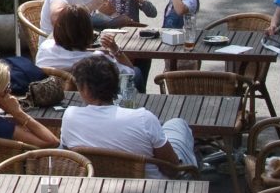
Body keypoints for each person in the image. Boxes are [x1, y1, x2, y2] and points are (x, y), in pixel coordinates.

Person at [58, 54, 195, 173]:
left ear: (86, 90)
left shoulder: (70, 117)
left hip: (97, 183)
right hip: (153, 187)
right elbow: (172, 169)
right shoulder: (144, 118)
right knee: (177, 123)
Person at [36, 6, 110, 75]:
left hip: (50, 87)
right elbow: (120, 70)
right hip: (82, 88)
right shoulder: (96, 60)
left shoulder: (45, 47)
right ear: (88, 31)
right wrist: (115, 50)